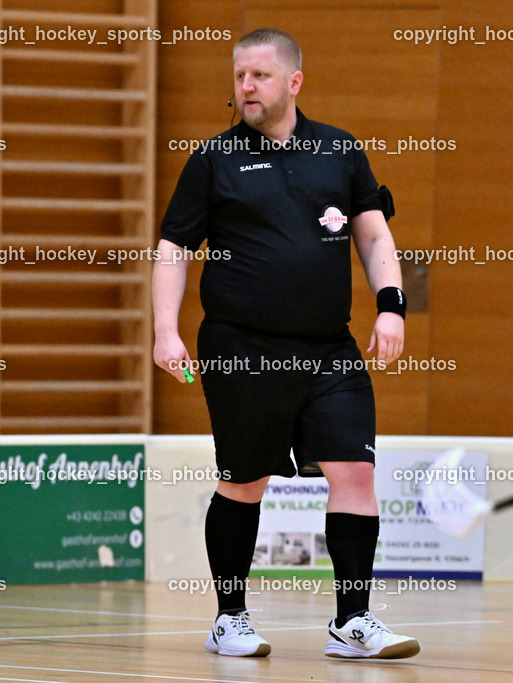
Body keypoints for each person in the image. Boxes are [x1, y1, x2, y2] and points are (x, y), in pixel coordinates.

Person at [152, 28, 420, 660]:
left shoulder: (340, 151)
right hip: (241, 346)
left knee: (355, 471)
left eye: (260, 76)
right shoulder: (213, 160)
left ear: (294, 81)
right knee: (245, 480)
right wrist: (165, 331)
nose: (246, 87)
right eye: (239, 76)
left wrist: (391, 306)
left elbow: (373, 236)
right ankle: (230, 619)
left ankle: (352, 622)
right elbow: (173, 247)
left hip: (328, 348)